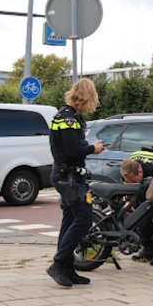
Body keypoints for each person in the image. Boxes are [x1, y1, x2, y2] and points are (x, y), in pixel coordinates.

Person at [47, 78, 105, 287]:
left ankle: (67, 268)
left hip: (67, 175)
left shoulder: (63, 116)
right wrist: (93, 149)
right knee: (83, 219)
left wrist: (89, 147)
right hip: (68, 177)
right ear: (86, 98)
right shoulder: (69, 119)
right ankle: (59, 263)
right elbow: (72, 150)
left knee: (70, 220)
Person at [120, 150, 153, 265]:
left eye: (134, 181)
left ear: (140, 171)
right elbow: (126, 191)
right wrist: (127, 203)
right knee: (142, 215)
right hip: (145, 184)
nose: (131, 184)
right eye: (129, 182)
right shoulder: (126, 172)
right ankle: (147, 250)